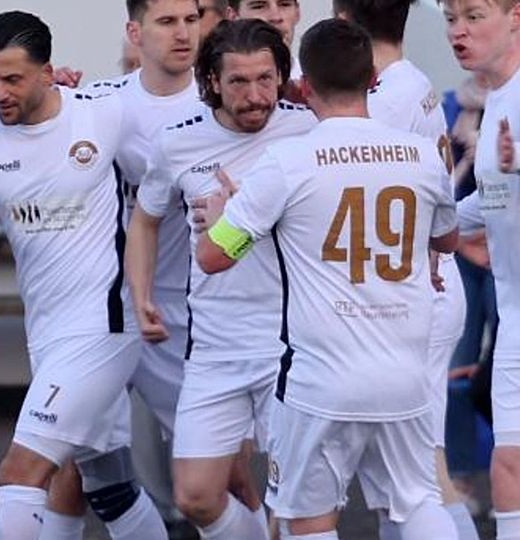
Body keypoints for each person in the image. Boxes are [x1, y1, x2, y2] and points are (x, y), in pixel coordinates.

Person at [196, 18, 460, 539]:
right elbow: (448, 241)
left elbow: (212, 258)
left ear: (303, 87)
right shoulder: (420, 157)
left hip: (320, 381)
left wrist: (225, 215)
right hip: (404, 373)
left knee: (309, 518)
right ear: (373, 82)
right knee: (418, 501)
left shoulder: (287, 161)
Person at [0, 11, 167, 540]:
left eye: (13, 79)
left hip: (106, 326)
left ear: (49, 72)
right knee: (110, 487)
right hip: (48, 334)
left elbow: (166, 177)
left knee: (20, 471)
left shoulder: (102, 113)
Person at [39, 2, 226, 538]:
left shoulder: (221, 103)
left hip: (191, 318)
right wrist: (48, 98)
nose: (183, 32)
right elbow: (31, 135)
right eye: (166, 22)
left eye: (190, 19)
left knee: (218, 475)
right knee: (74, 461)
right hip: (109, 313)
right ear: (134, 31)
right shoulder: (98, 101)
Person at [129, 18, 315, 539]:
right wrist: (141, 295)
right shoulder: (177, 143)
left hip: (291, 345)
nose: (256, 96)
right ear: (211, 81)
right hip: (213, 345)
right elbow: (145, 220)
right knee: (196, 495)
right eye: (238, 82)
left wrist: (244, 219)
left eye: (265, 79)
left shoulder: (308, 129)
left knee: (295, 500)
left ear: (282, 76)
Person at [333, 1, 477, 538]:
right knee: (408, 477)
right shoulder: (410, 80)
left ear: (342, 24)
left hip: (412, 297)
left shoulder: (380, 102)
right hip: (420, 290)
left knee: (415, 481)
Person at [440, 0, 520, 537]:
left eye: (473, 15)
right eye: (449, 18)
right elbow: (490, 198)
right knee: (508, 467)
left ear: (515, 14)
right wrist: (427, 221)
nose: (458, 31)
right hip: (514, 313)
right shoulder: (497, 102)